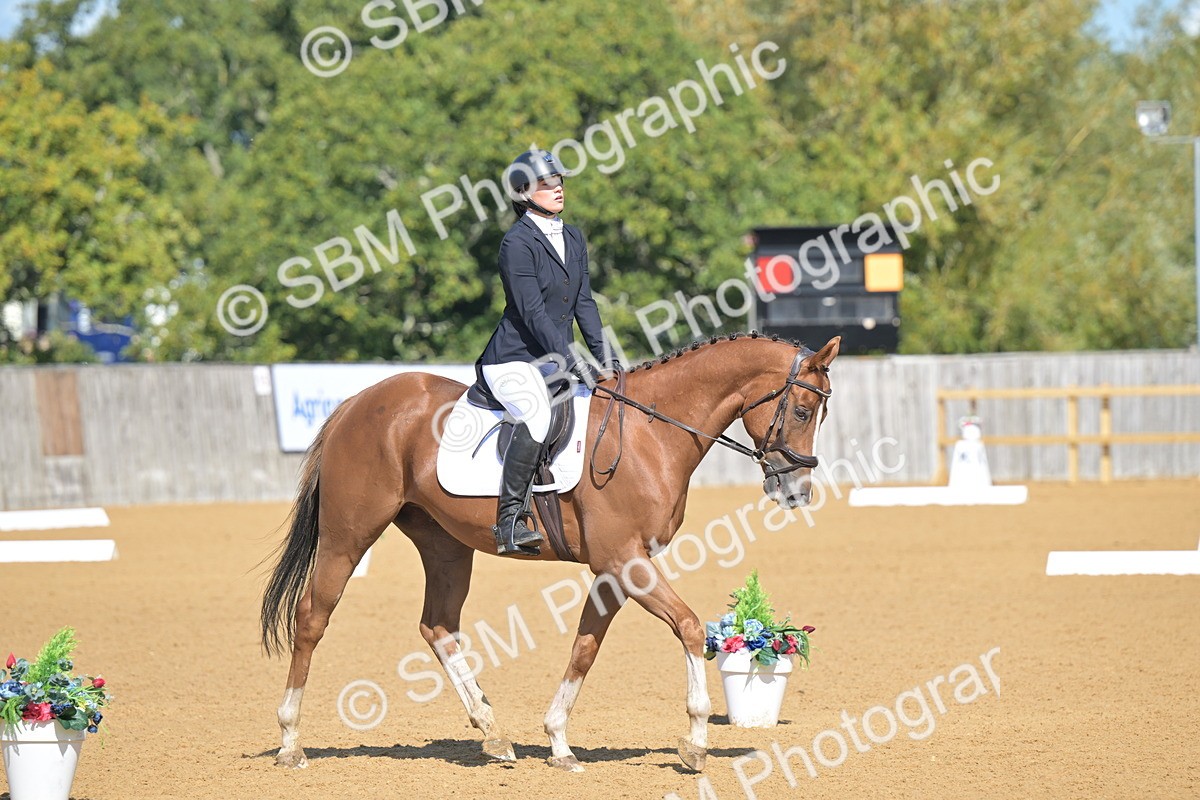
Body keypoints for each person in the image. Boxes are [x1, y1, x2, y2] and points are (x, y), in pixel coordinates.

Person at [476, 149, 613, 556]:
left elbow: (584, 303)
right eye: (545, 183)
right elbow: (532, 313)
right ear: (522, 192)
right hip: (513, 360)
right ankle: (510, 521)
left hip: (552, 358)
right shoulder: (516, 244)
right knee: (536, 413)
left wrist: (608, 360)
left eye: (559, 181)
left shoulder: (573, 237)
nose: (557, 188)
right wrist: (570, 359)